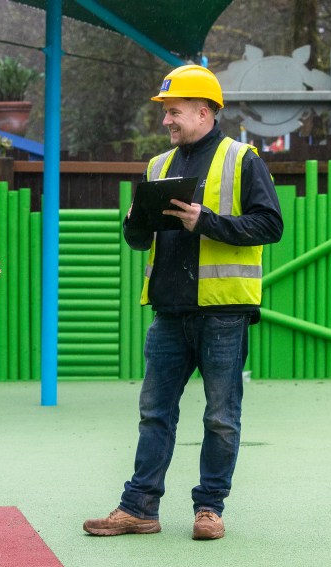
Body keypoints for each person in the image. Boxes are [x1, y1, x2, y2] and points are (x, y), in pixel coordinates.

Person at [83, 65, 283, 540]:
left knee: (220, 417)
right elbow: (137, 239)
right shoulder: (157, 167)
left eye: (173, 112)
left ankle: (209, 509)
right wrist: (134, 221)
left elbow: (269, 226)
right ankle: (139, 509)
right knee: (154, 413)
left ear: (203, 111)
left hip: (224, 313)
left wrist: (205, 221)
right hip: (169, 312)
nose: (167, 121)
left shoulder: (243, 159)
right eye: (166, 112)